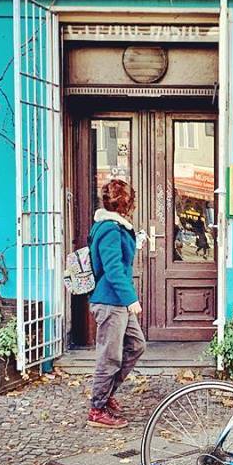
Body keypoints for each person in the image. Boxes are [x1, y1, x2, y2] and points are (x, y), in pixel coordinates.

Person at [86, 179, 146, 429]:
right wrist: (130, 299)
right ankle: (97, 410)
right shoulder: (110, 229)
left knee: (136, 345)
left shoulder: (115, 227)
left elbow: (119, 261)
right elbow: (112, 269)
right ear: (125, 203)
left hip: (116, 301)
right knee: (109, 357)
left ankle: (107, 393)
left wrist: (136, 241)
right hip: (111, 301)